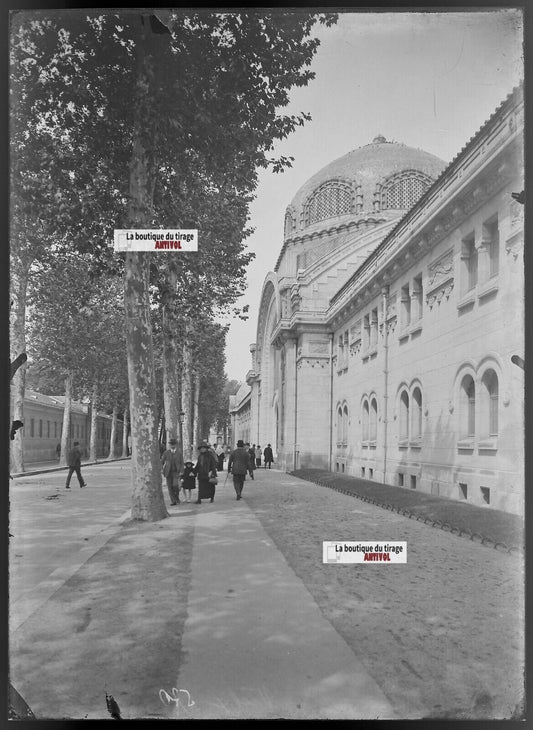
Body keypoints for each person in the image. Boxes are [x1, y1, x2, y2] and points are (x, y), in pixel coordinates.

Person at [161, 438, 183, 505]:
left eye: (174, 444)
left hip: (176, 472)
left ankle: (176, 497)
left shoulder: (179, 453)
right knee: (170, 487)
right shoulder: (166, 453)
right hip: (168, 472)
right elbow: (161, 461)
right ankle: (173, 501)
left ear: (176, 445)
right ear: (170, 445)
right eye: (171, 444)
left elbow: (182, 462)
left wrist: (182, 471)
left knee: (175, 486)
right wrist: (161, 469)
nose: (172, 445)